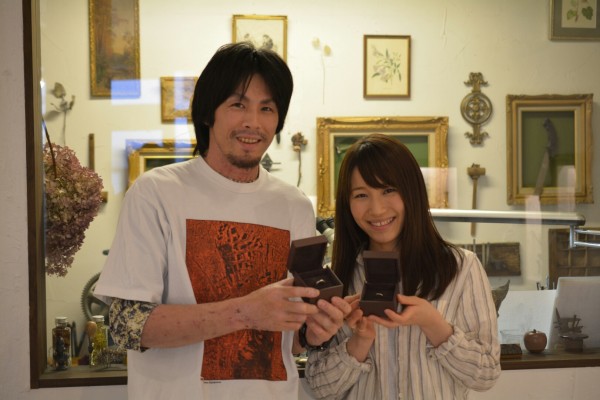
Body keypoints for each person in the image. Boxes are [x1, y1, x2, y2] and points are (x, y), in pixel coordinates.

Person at [94, 42, 350, 400]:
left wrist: (314, 332)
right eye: (238, 105)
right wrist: (244, 312)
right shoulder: (156, 193)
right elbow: (126, 326)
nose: (253, 122)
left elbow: (289, 340)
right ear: (207, 113)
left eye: (267, 108)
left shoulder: (294, 205)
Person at [304, 134, 501, 400]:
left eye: (388, 190)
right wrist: (359, 342)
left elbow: (486, 374)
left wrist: (432, 323)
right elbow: (319, 387)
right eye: (361, 195)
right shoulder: (335, 278)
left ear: (412, 191)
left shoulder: (461, 268)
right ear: (347, 203)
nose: (377, 209)